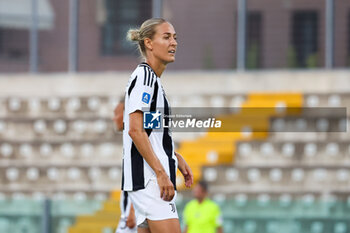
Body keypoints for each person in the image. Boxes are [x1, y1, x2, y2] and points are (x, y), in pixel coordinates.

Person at [122, 18, 193, 233]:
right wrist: (162, 173)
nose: (174, 42)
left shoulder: (153, 81)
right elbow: (135, 130)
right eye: (166, 37)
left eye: (175, 37)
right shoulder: (145, 77)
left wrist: (175, 157)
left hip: (149, 180)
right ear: (149, 43)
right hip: (151, 181)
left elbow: (150, 129)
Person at [113, 99, 137, 233]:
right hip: (128, 214)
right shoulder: (128, 140)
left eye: (117, 113)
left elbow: (142, 176)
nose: (114, 118)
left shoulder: (136, 140)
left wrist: (133, 211)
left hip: (132, 216)